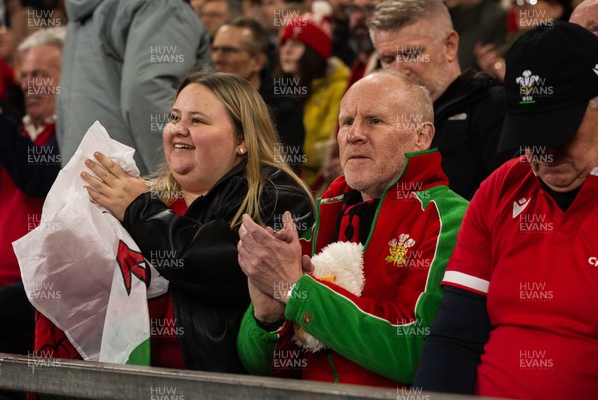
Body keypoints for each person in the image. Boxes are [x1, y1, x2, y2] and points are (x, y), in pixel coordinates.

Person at [35, 71, 315, 372]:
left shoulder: (278, 193)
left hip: (215, 386)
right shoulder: (148, 196)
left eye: (197, 120)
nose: (179, 129)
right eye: (174, 117)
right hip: (125, 380)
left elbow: (224, 264)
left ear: (242, 139)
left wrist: (138, 210)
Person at [236, 70, 468, 387]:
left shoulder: (450, 218)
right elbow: (262, 371)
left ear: (422, 136)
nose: (354, 134)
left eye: (374, 120)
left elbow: (419, 353)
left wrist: (297, 291)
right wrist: (266, 320)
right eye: (346, 122)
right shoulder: (326, 214)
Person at [414, 22, 598, 398]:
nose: (543, 154)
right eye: (529, 137)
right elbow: (455, 337)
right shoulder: (501, 187)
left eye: (559, 133)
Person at [368, 0, 514, 200]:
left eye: (412, 54)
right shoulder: (379, 121)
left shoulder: (496, 109)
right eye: (387, 59)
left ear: (449, 46)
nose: (398, 70)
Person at [56, 0, 212, 175]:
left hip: (87, 178)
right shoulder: (163, 5)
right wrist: (180, 172)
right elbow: (147, 92)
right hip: (138, 184)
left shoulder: (84, 14)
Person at [0, 27, 64, 357]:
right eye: (23, 75)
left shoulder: (72, 132)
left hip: (39, 293)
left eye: (39, 74)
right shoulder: (17, 130)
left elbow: (36, 178)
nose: (27, 84)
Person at [212, 17, 306, 173]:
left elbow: (284, 173)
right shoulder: (205, 102)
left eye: (228, 50)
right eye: (214, 49)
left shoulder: (284, 110)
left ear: (258, 62)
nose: (216, 59)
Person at [278, 1, 350, 186]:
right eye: (285, 42)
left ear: (313, 52)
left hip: (321, 186)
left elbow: (329, 147)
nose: (287, 50)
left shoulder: (339, 87)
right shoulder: (281, 87)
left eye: (297, 44)